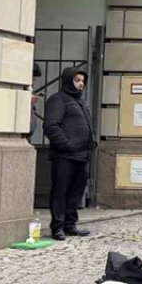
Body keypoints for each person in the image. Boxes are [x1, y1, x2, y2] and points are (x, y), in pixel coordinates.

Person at [42, 66, 94, 240]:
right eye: (76, 80)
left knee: (76, 192)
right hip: (64, 156)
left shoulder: (81, 101)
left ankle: (70, 224)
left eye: (82, 81)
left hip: (82, 155)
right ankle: (57, 226)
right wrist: (67, 144)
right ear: (68, 80)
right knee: (60, 191)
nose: (80, 84)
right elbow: (51, 126)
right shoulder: (58, 100)